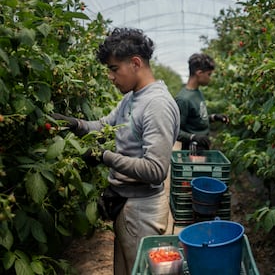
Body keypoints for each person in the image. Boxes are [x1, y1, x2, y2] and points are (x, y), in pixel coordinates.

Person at [52, 28, 180, 275]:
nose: (110, 76)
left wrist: (103, 156)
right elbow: (104, 125)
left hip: (142, 208)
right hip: (127, 204)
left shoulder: (157, 105)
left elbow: (155, 170)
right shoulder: (133, 98)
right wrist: (75, 124)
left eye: (113, 68)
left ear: (135, 63)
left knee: (139, 270)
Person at [175, 53, 229, 151]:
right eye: (209, 74)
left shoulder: (198, 92)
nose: (210, 78)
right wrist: (193, 137)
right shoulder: (183, 99)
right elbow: (175, 131)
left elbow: (196, 119)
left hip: (202, 146)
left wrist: (214, 117)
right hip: (192, 150)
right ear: (199, 73)